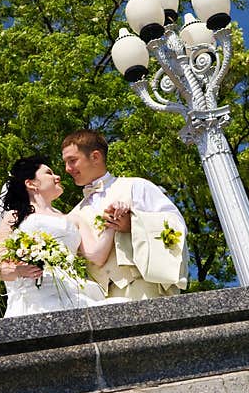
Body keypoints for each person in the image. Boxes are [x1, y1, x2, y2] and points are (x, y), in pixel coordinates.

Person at [0, 155, 130, 317]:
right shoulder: (14, 217)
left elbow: (97, 256)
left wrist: (112, 220)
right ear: (31, 183)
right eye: (49, 173)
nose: (58, 177)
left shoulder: (74, 219)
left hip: (73, 291)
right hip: (35, 297)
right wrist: (21, 270)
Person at [61, 129, 189, 301]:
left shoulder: (137, 186)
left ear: (95, 157)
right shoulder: (74, 214)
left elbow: (177, 226)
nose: (67, 169)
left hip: (145, 289)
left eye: (72, 161)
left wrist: (133, 224)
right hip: (100, 301)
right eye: (65, 163)